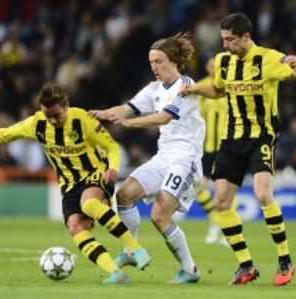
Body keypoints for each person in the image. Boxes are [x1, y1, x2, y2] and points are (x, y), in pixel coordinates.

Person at [0, 82, 151, 284]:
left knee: (88, 203)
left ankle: (136, 248)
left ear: (66, 106)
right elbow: (5, 134)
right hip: (69, 184)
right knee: (75, 227)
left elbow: (111, 147)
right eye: (47, 115)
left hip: (95, 173)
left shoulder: (83, 119)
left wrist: (113, 168)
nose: (51, 120)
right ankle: (116, 273)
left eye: (56, 115)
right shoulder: (37, 123)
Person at [180, 13, 296, 286]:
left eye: (231, 39)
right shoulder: (223, 61)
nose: (226, 45)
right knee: (221, 201)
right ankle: (246, 265)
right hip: (231, 139)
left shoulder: (269, 58)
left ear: (246, 36)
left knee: (263, 194)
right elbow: (219, 90)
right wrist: (195, 90)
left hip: (262, 137)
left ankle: (285, 260)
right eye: (223, 39)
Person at [89, 32, 204, 283]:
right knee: (124, 195)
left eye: (159, 61)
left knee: (159, 217)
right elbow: (127, 108)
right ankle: (130, 250)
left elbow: (164, 117)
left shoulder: (186, 87)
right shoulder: (154, 88)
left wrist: (129, 124)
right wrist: (104, 113)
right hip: (163, 157)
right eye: (151, 62)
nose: (154, 67)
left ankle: (190, 269)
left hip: (186, 160)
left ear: (174, 60)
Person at [194, 56, 230, 247]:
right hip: (205, 147)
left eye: (216, 66)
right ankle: (215, 221)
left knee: (225, 190)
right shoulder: (200, 88)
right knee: (198, 187)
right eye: (210, 66)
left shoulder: (230, 85)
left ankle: (227, 230)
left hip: (226, 146)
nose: (213, 69)